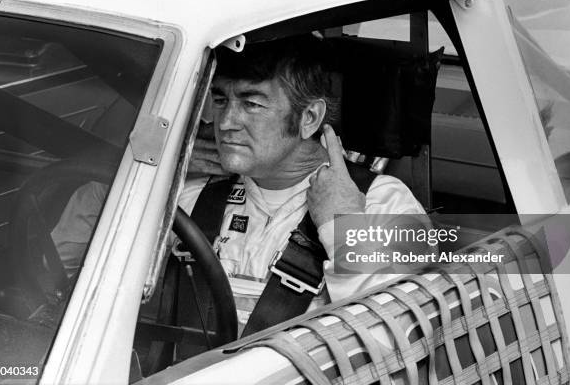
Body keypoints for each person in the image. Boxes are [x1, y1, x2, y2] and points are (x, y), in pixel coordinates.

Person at [52, 35, 428, 334]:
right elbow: (64, 267)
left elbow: (405, 334)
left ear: (309, 117)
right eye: (220, 99)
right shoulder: (192, 192)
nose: (226, 121)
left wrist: (342, 224)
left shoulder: (384, 203)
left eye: (251, 104)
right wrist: (150, 174)